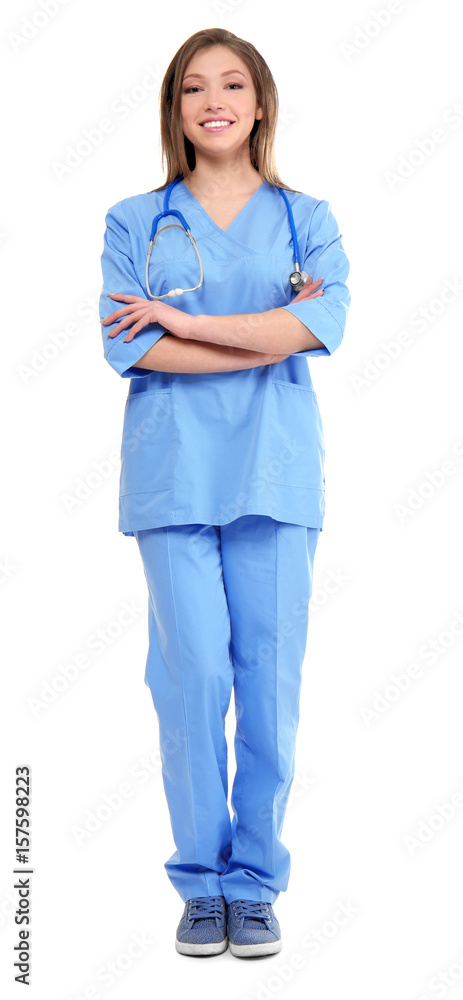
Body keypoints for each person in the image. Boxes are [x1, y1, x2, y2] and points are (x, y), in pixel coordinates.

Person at [99, 27, 351, 960]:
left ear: (259, 102)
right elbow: (129, 346)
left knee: (268, 685)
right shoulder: (134, 220)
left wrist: (182, 319)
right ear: (174, 108)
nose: (214, 99)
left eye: (232, 83)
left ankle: (254, 882)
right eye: (194, 87)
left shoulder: (305, 217)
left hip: (275, 474)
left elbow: (320, 326)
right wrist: (260, 332)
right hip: (172, 477)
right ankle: (200, 882)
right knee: (193, 677)